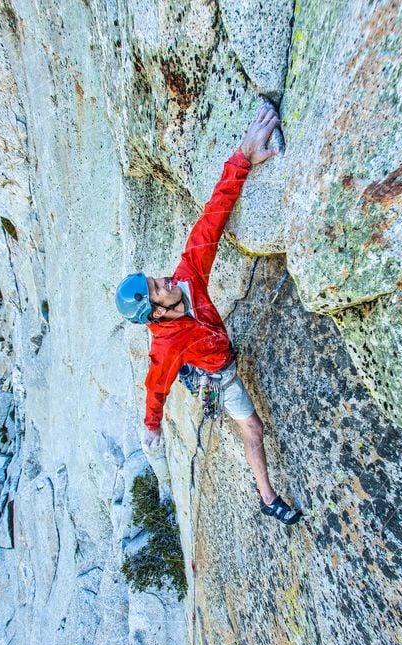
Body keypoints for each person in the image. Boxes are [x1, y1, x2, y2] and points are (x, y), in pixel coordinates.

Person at [116, 103, 302, 525]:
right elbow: (153, 389)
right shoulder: (165, 343)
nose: (166, 280)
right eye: (157, 288)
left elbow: (211, 220)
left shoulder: (188, 279)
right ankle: (268, 497)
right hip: (220, 371)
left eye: (156, 279)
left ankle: (194, 372)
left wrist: (243, 156)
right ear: (155, 313)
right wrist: (151, 428)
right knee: (252, 429)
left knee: (202, 376)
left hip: (210, 352)